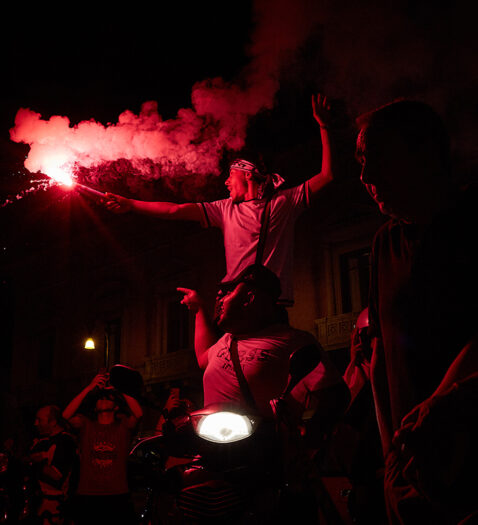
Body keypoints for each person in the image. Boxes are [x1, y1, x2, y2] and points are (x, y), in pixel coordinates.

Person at [356, 99, 478, 524]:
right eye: (361, 163)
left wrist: (441, 401)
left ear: (425, 153)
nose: (366, 177)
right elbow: (380, 357)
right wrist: (394, 457)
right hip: (411, 476)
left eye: (377, 159)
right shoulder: (384, 243)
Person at [104, 94, 335, 306]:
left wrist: (324, 127)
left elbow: (327, 176)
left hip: (269, 303)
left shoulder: (283, 202)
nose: (225, 182)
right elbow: (174, 210)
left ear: (247, 175)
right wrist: (131, 204)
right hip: (232, 302)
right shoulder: (224, 209)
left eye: (230, 176)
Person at [179, 263, 345, 419]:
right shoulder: (227, 340)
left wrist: (311, 438)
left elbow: (335, 396)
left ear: (249, 298)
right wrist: (198, 310)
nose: (219, 297)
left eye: (229, 292)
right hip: (214, 444)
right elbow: (203, 358)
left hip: (264, 443)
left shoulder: (295, 340)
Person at [62, 372, 143, 525]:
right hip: (88, 494)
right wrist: (89, 388)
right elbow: (65, 415)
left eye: (107, 398)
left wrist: (118, 391)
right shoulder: (86, 424)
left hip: (117, 494)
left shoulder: (123, 425)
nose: (103, 399)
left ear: (116, 405)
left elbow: (138, 414)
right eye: (100, 397)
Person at [29, 405, 77, 524]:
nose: (35, 424)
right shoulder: (43, 441)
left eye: (39, 420)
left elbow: (56, 476)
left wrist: (36, 463)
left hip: (56, 508)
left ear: (53, 422)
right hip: (41, 506)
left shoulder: (65, 442)